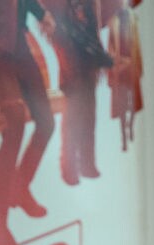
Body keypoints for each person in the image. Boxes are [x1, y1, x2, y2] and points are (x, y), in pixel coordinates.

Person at [0, 0, 56, 245]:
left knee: (46, 123)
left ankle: (20, 187)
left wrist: (41, 13)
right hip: (0, 53)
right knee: (13, 130)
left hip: (20, 48)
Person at [45, 0, 112, 186]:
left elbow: (94, 27)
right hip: (70, 57)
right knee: (73, 114)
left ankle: (87, 163)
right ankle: (68, 167)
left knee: (89, 113)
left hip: (88, 60)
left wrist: (99, 58)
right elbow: (53, 26)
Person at [106, 0, 142, 152]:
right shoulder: (113, 21)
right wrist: (113, 67)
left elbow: (137, 46)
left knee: (132, 103)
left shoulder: (133, 19)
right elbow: (110, 47)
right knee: (121, 106)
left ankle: (131, 127)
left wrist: (139, 67)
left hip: (132, 67)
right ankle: (123, 139)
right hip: (120, 69)